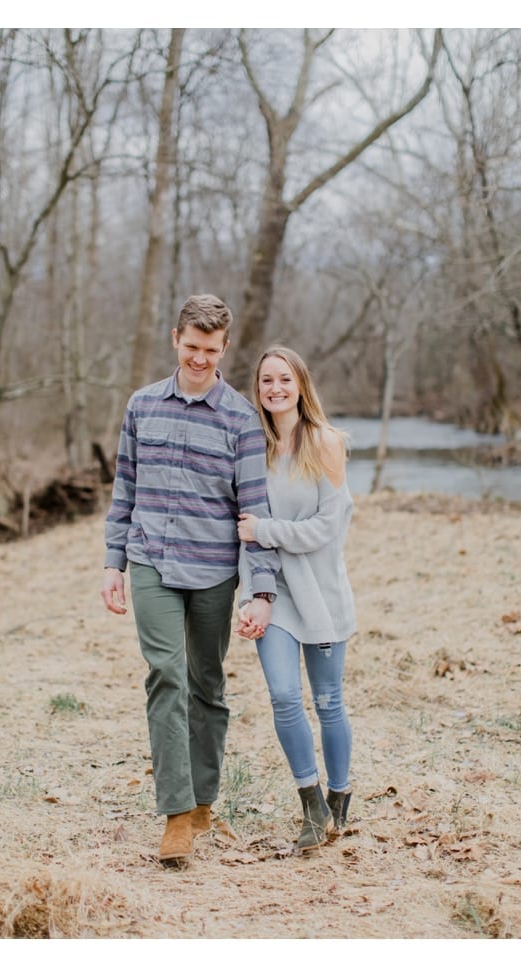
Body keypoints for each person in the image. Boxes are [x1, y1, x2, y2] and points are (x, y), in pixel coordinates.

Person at [101, 294, 279, 865]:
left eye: (211, 349)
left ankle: (205, 798)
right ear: (175, 338)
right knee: (166, 675)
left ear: (225, 347)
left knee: (207, 685)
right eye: (191, 346)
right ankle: (177, 813)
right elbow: (124, 487)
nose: (199, 358)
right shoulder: (142, 406)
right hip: (151, 558)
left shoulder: (241, 421)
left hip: (212, 571)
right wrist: (114, 562)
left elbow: (253, 513)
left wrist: (261, 589)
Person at [233, 346, 357, 854]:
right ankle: (312, 807)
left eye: (284, 379)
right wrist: (255, 592)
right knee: (285, 697)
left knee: (328, 703)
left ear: (301, 384)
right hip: (275, 593)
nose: (275, 388)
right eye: (266, 381)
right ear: (258, 389)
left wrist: (267, 530)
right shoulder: (250, 448)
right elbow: (240, 530)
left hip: (322, 593)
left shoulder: (326, 443)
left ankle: (340, 798)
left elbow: (329, 528)